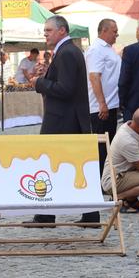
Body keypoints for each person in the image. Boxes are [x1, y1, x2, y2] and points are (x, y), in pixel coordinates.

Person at [27, 15, 95, 225]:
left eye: (48, 30)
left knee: (52, 167)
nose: (45, 34)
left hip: (63, 121)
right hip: (67, 119)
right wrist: (46, 78)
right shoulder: (68, 51)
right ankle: (88, 215)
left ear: (62, 31)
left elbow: (65, 89)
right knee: (75, 167)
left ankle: (48, 215)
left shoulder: (66, 52)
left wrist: (40, 83)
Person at [86, 18, 121, 176]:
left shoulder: (108, 48)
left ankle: (106, 180)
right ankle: (100, 182)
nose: (117, 34)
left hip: (110, 105)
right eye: (114, 31)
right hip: (101, 108)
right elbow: (94, 76)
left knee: (108, 147)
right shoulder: (97, 49)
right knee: (102, 149)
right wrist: (102, 104)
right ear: (104, 30)